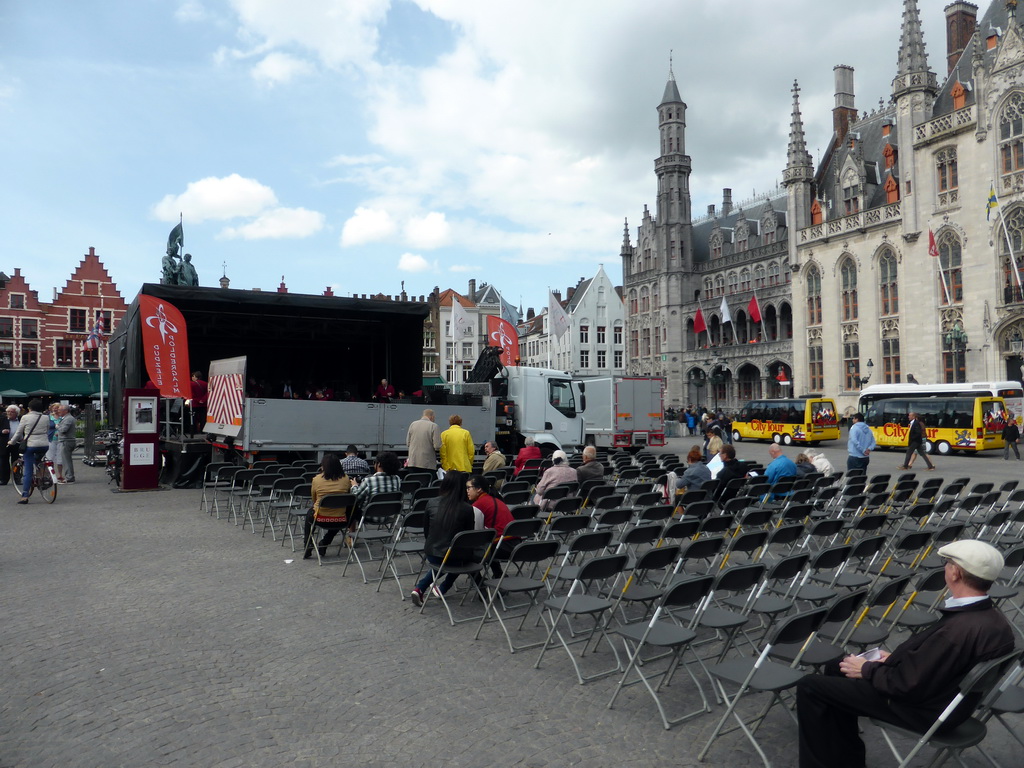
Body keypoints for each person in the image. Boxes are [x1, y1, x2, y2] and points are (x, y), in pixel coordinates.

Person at [797, 539, 1015, 768]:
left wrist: (867, 669)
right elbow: (943, 666)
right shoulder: (995, 620)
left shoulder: (957, 629)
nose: (945, 567)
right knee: (837, 667)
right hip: (949, 703)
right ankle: (845, 760)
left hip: (923, 710)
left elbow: (906, 686)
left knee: (810, 686)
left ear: (955, 573)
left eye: (947, 563)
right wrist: (894, 660)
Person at [410, 470, 476, 606]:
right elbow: (469, 535)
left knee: (442, 563)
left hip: (433, 551)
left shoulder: (431, 502)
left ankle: (421, 588)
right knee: (461, 558)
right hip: (456, 556)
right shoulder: (467, 509)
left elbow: (426, 530)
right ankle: (442, 588)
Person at [302, 453, 353, 560]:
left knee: (310, 514)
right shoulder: (346, 479)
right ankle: (325, 542)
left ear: (323, 466)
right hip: (341, 519)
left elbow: (314, 499)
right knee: (339, 515)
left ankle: (308, 543)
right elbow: (348, 496)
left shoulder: (316, 479)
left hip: (320, 518)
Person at [466, 474, 515, 577]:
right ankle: (498, 574)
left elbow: (474, 532)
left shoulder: (479, 504)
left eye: (469, 487)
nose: (467, 491)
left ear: (479, 489)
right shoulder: (495, 499)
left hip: (502, 546)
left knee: (465, 553)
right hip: (514, 544)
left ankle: (480, 585)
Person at [8, 399, 50, 504]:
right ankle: (42, 478)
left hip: (31, 445)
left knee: (28, 470)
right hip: (44, 445)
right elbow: (47, 429)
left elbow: (18, 432)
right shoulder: (45, 417)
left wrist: (11, 442)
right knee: (38, 460)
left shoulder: (25, 417)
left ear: (29, 408)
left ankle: (25, 495)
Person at [350, 451, 403, 532]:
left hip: (368, 515)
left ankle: (351, 536)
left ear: (379, 464)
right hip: (387, 514)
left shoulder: (369, 481)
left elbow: (355, 498)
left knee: (351, 507)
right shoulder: (397, 479)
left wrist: (354, 485)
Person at [55, 405, 76, 484]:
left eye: (60, 410)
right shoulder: (68, 418)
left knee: (66, 461)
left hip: (66, 441)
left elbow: (63, 430)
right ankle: (70, 476)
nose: (58, 411)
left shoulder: (68, 419)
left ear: (66, 411)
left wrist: (57, 427)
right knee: (67, 460)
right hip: (67, 440)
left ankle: (69, 477)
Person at [0, 404, 21, 486]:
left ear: (16, 413)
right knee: (3, 462)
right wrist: (2, 431)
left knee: (17, 461)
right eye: (8, 411)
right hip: (5, 443)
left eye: (11, 412)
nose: (9, 413)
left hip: (17, 443)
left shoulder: (21, 419)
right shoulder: (2, 419)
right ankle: (3, 479)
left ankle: (17, 478)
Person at [189, 371, 208, 436]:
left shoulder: (191, 384)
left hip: (195, 403)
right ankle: (203, 430)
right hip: (203, 403)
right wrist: (203, 400)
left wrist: (197, 400)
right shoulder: (206, 384)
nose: (192, 377)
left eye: (193, 376)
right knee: (203, 417)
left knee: (193, 417)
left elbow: (191, 394)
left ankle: (194, 431)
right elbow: (208, 393)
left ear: (196, 377)